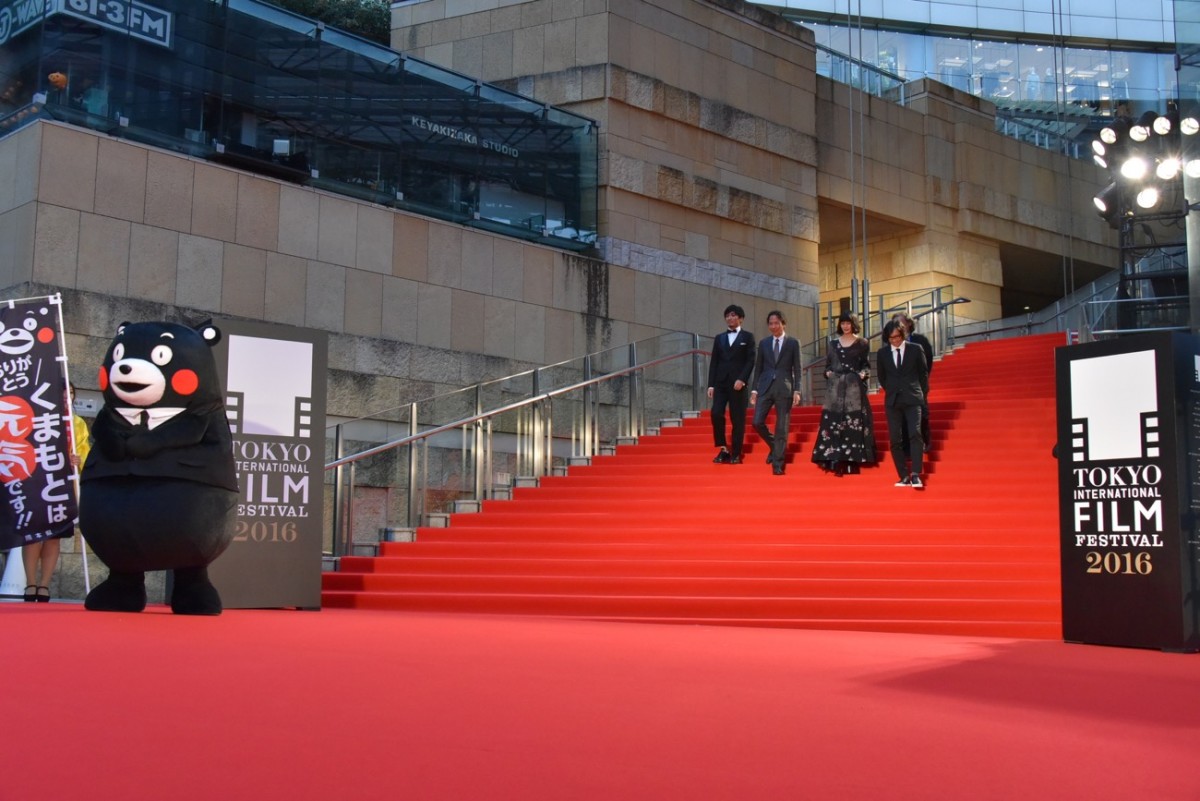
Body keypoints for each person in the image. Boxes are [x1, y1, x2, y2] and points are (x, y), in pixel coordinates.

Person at [23, 382, 90, 601]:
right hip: (38, 483)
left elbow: (85, 454)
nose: (66, 397)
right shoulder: (37, 420)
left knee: (54, 537)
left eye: (71, 393)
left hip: (63, 486)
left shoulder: (77, 423)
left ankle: (44, 585)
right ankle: (30, 582)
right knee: (34, 535)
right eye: (62, 393)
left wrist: (78, 460)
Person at [811, 313, 875, 476]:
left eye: (848, 323)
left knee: (852, 423)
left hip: (854, 389)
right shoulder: (833, 344)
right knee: (833, 423)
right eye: (843, 323)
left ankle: (852, 460)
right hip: (835, 389)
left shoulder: (862, 343)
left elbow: (866, 366)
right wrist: (828, 373)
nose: (845, 326)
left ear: (854, 324)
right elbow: (827, 366)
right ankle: (834, 458)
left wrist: (863, 374)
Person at [877, 320, 929, 489]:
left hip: (913, 398)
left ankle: (916, 474)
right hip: (893, 401)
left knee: (915, 434)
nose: (895, 341)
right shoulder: (882, 353)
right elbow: (882, 377)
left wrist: (920, 394)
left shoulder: (916, 349)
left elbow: (923, 375)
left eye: (897, 337)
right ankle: (903, 476)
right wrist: (893, 390)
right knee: (895, 439)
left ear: (903, 334)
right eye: (891, 338)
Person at [750, 310, 802, 476]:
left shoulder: (793, 343)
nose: (773, 326)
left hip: (784, 388)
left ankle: (778, 464)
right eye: (770, 324)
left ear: (783, 324)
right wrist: (754, 389)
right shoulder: (764, 343)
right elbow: (758, 368)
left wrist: (797, 390)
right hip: (765, 387)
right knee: (757, 422)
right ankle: (775, 446)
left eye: (776, 323)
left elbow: (798, 369)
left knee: (781, 427)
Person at [707, 304, 756, 465]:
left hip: (738, 385)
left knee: (738, 419)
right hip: (720, 383)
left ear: (741, 318)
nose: (730, 318)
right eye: (727, 315)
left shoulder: (748, 337)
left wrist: (742, 379)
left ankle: (736, 452)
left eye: (733, 315)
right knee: (716, 413)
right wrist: (711, 385)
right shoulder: (719, 338)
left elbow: (750, 360)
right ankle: (723, 448)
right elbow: (714, 362)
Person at [892, 312, 933, 448]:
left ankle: (924, 442)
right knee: (902, 417)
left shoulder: (920, 341)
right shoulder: (892, 343)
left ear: (909, 323)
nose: (899, 325)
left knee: (920, 414)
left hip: (916, 385)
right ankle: (907, 447)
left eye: (901, 322)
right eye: (896, 323)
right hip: (899, 388)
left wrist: (922, 382)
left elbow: (927, 363)